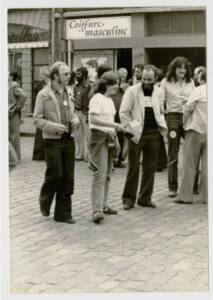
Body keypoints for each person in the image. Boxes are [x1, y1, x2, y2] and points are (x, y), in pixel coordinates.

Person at [33, 61, 79, 224]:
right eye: (65, 74)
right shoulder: (43, 95)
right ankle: (45, 199)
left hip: (68, 138)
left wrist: (75, 120)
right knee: (55, 174)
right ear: (55, 76)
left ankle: (63, 214)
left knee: (68, 177)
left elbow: (72, 113)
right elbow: (37, 119)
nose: (69, 76)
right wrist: (53, 127)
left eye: (68, 73)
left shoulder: (69, 92)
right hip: (52, 140)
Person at [120, 65, 167, 210]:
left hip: (153, 133)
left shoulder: (159, 92)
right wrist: (130, 128)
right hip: (137, 133)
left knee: (150, 167)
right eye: (144, 79)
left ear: (155, 79)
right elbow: (124, 112)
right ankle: (128, 199)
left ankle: (145, 198)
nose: (146, 82)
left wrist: (161, 124)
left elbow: (160, 110)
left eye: (149, 79)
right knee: (133, 167)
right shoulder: (132, 91)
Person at [88, 71, 124, 223]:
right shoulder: (97, 98)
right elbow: (94, 119)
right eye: (114, 84)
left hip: (109, 136)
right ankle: (96, 210)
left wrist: (114, 133)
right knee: (99, 174)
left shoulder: (109, 100)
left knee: (108, 174)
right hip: (98, 137)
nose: (116, 86)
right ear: (106, 85)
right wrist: (114, 125)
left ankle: (104, 205)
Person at [160, 57, 194, 198]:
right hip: (172, 117)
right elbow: (161, 103)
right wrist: (163, 121)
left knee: (192, 151)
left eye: (184, 67)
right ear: (174, 68)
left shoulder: (190, 82)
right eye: (179, 67)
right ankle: (172, 187)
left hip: (188, 117)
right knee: (173, 154)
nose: (182, 70)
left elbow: (195, 99)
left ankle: (193, 185)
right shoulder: (165, 82)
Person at [174, 70, 207, 204]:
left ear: (202, 79)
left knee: (189, 164)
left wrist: (184, 123)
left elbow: (188, 108)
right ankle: (206, 196)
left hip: (195, 129)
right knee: (207, 166)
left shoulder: (198, 90)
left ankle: (186, 196)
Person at [111, 68, 129, 168]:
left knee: (121, 137)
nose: (122, 78)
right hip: (112, 113)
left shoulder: (125, 87)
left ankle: (119, 159)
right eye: (121, 76)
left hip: (121, 113)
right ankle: (112, 158)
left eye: (124, 76)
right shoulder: (112, 86)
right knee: (112, 136)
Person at [8, 72, 27, 161]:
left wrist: (16, 107)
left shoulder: (13, 86)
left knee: (14, 136)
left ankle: (15, 158)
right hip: (9, 113)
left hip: (12, 114)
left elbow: (23, 96)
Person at [32, 66, 50, 161]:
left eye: (41, 73)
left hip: (47, 111)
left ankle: (45, 153)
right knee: (39, 133)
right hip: (41, 111)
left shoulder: (50, 85)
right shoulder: (40, 85)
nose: (39, 75)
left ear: (45, 75)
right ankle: (39, 154)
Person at [74, 67, 91, 161]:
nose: (76, 76)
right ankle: (80, 154)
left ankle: (87, 156)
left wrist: (89, 113)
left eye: (78, 74)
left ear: (84, 75)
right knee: (78, 135)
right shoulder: (76, 86)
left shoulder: (89, 86)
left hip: (85, 112)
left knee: (87, 135)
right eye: (76, 74)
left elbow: (91, 100)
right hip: (77, 112)